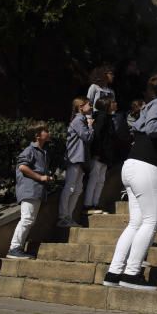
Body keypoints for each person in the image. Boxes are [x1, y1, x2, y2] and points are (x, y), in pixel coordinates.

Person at [104, 75, 157, 290]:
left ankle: (114, 272)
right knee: (153, 219)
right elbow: (153, 128)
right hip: (144, 167)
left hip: (133, 166)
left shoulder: (155, 106)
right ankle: (132, 274)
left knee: (137, 222)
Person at [7, 123, 52, 259]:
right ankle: (14, 248)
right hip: (30, 189)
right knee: (27, 219)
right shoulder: (30, 150)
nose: (48, 132)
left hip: (35, 190)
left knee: (29, 219)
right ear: (37, 135)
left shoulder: (42, 152)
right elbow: (22, 167)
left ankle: (17, 247)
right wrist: (40, 177)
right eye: (45, 131)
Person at [58, 97, 93, 227]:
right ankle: (63, 217)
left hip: (80, 159)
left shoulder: (80, 119)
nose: (91, 107)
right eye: (89, 104)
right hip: (74, 158)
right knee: (71, 187)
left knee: (77, 189)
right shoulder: (79, 120)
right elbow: (87, 137)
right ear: (81, 107)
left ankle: (68, 216)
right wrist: (90, 126)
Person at [84, 97, 117, 214]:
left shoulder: (108, 117)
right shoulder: (102, 117)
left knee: (101, 180)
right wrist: (96, 153)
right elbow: (97, 136)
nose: (115, 104)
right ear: (106, 104)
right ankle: (88, 205)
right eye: (112, 102)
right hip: (99, 154)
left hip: (105, 155)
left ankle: (95, 204)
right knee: (94, 179)